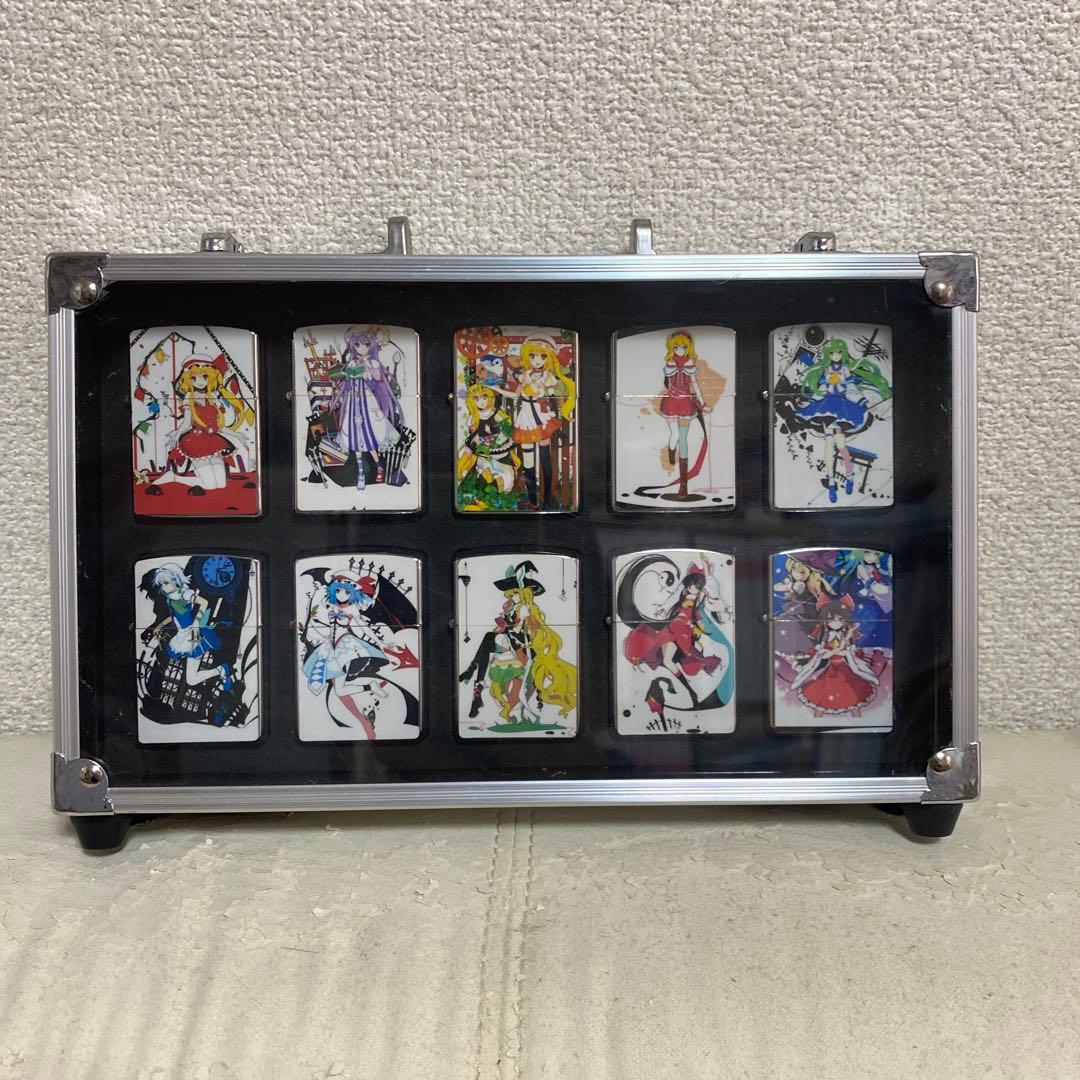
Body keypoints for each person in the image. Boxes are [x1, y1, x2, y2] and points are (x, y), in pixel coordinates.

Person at [153, 355, 253, 496]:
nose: (199, 382)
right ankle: (174, 477)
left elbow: (219, 426)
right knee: (210, 486)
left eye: (204, 377)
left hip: (213, 441)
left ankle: (181, 477)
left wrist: (237, 434)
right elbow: (186, 422)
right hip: (196, 441)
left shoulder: (212, 396)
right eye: (193, 378)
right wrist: (177, 434)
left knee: (221, 484)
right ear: (188, 379)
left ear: (211, 377)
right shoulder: (189, 396)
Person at [502, 336, 575, 509]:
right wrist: (495, 389)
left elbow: (554, 397)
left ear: (549, 358)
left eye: (543, 356)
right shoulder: (524, 376)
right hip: (525, 420)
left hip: (541, 419)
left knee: (545, 459)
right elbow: (516, 395)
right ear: (526, 356)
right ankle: (533, 501)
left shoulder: (548, 377)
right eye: (532, 355)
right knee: (528, 463)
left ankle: (547, 501)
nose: (537, 360)